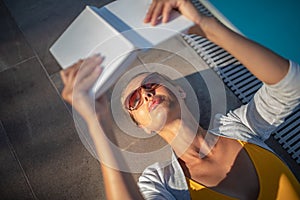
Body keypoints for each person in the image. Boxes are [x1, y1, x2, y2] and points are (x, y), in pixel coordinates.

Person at [60, 0, 300, 199]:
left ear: (180, 91)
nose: (145, 94)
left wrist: (205, 26)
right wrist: (96, 121)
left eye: (152, 84)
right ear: (142, 127)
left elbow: (291, 85)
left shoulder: (240, 126)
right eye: (134, 101)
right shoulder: (162, 183)